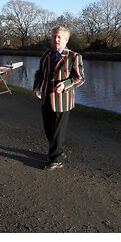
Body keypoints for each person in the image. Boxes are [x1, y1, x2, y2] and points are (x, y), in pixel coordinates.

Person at [33, 26, 85, 171]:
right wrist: (36, 87)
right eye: (54, 37)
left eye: (59, 37)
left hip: (63, 100)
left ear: (66, 39)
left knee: (57, 131)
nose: (56, 39)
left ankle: (56, 158)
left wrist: (66, 85)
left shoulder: (74, 56)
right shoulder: (47, 55)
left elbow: (80, 78)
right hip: (45, 98)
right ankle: (57, 152)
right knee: (49, 130)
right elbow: (39, 74)